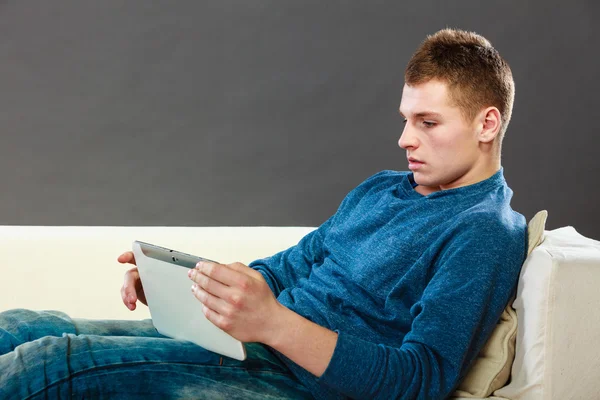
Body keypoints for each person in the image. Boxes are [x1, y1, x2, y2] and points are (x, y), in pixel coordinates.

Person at [0, 28, 527, 399]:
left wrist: (272, 324)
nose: (404, 139)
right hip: (250, 347)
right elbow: (289, 268)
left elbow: (420, 380)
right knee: (24, 327)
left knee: (44, 365)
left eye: (428, 123)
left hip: (295, 383)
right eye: (406, 119)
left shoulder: (484, 230)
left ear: (486, 124)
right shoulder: (383, 189)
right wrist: (193, 283)